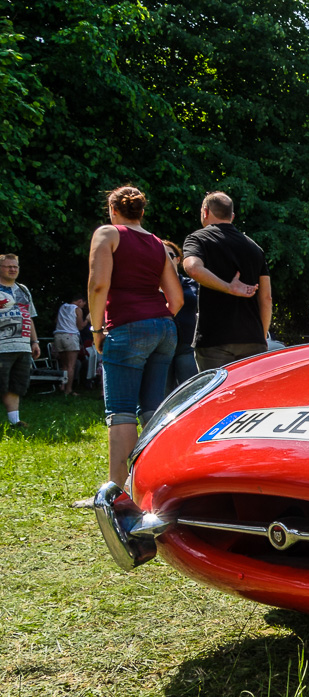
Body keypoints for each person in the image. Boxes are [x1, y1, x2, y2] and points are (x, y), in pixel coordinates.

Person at [87, 185, 183, 485]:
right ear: (142, 212)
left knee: (121, 411)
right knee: (153, 408)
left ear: (113, 210)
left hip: (127, 325)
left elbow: (98, 285)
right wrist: (156, 319)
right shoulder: (157, 243)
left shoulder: (108, 234)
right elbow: (176, 299)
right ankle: (156, 480)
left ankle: (119, 491)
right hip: (164, 328)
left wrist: (97, 329)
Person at [181, 191, 272, 370]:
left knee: (217, 397)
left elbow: (192, 268)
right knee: (249, 397)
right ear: (232, 216)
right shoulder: (255, 248)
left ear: (205, 212)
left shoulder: (198, 238)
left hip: (214, 340)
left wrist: (228, 287)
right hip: (252, 340)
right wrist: (259, 337)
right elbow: (267, 298)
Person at [0, 253, 40, 428]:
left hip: (22, 346)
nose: (13, 269)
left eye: (15, 266)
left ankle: (14, 421)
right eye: (8, 266)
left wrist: (35, 341)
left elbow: (29, 317)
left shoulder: (23, 289)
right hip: (1, 346)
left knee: (16, 385)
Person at [163, 240, 199, 391]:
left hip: (186, 345)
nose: (165, 258)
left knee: (191, 392)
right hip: (160, 347)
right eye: (160, 254)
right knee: (161, 396)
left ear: (178, 259)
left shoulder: (193, 284)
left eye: (169, 255)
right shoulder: (148, 285)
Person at [53, 294, 87, 395]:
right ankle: (69, 390)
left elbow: (56, 321)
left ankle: (62, 386)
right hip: (70, 336)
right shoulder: (77, 309)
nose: (83, 307)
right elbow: (80, 326)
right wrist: (87, 320)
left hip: (58, 336)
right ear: (80, 301)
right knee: (71, 366)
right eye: (84, 304)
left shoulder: (62, 306)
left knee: (64, 365)